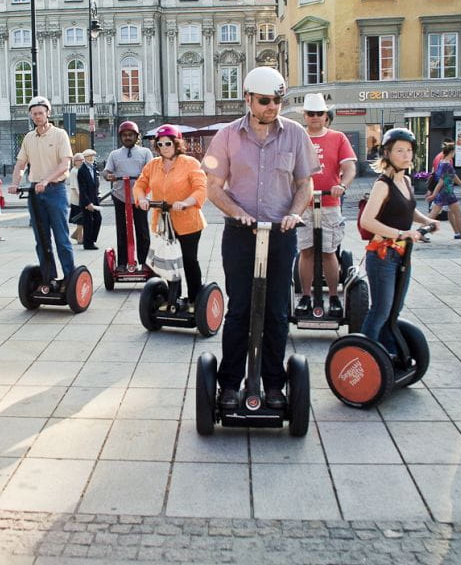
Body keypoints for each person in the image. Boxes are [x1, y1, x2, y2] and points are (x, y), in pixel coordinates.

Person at [202, 66, 317, 411]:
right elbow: (212, 187)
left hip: (281, 234)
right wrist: (236, 211)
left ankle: (274, 386)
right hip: (240, 234)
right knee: (239, 310)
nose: (272, 107)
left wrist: (296, 213)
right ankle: (229, 385)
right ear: (248, 99)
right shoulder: (226, 136)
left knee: (277, 313)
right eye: (265, 101)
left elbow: (304, 184)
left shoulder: (296, 134)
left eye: (278, 101)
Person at [358, 128, 440, 357]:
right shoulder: (382, 184)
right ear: (387, 153)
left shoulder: (405, 180)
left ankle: (385, 353)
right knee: (381, 310)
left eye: (409, 151)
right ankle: (364, 356)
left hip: (401, 254)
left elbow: (408, 210)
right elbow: (367, 221)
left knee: (394, 309)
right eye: (400, 151)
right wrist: (400, 233)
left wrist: (427, 220)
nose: (406, 155)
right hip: (382, 255)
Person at [293, 92, 356, 319]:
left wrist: (343, 185)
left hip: (329, 202)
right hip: (303, 204)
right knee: (306, 251)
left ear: (325, 115)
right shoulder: (298, 137)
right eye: (310, 113)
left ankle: (333, 297)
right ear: (306, 116)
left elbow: (349, 167)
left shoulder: (337, 138)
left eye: (319, 113)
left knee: (329, 252)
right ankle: (306, 297)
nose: (315, 117)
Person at [134, 124, 207, 306]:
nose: (164, 147)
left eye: (168, 143)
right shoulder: (153, 165)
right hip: (163, 222)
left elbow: (201, 188)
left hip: (188, 221)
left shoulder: (190, 163)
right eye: (160, 144)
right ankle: (174, 299)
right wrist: (142, 199)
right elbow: (140, 185)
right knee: (168, 261)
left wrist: (186, 202)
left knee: (189, 260)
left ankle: (194, 299)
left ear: (176, 143)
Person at [8, 95, 75, 280]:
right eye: (34, 114)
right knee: (41, 240)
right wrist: (15, 183)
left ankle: (70, 279)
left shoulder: (60, 135)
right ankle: (49, 278)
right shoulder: (29, 138)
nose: (37, 117)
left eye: (40, 113)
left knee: (62, 239)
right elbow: (20, 165)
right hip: (35, 193)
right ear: (31, 116)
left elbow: (64, 165)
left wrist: (46, 181)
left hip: (55, 191)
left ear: (48, 113)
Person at [103, 121, 153, 269]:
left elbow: (150, 171)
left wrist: (143, 176)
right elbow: (106, 171)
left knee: (142, 230)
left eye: (130, 135)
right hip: (120, 196)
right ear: (120, 138)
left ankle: (145, 262)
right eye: (124, 135)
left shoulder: (145, 152)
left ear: (136, 136)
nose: (127, 138)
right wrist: (108, 176)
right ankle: (123, 263)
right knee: (122, 230)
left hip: (140, 197)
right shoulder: (115, 154)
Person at [425, 143, 461, 243]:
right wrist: (433, 195)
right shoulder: (447, 165)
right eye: (454, 152)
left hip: (443, 193)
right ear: (452, 152)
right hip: (448, 193)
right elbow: (441, 181)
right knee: (458, 214)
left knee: (434, 214)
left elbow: (452, 176)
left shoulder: (442, 162)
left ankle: (420, 232)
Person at [77, 148, 102, 250]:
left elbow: (95, 183)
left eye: (93, 156)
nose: (92, 158)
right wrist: (87, 203)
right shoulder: (82, 170)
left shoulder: (94, 168)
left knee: (98, 219)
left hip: (94, 198)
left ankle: (91, 240)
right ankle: (88, 243)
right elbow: (82, 189)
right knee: (88, 222)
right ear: (85, 158)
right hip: (86, 200)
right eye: (89, 156)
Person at [68, 153, 85, 243]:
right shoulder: (74, 171)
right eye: (80, 160)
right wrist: (81, 198)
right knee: (80, 219)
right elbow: (75, 187)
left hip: (81, 198)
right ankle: (78, 237)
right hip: (77, 200)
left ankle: (78, 237)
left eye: (83, 160)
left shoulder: (80, 170)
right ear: (75, 162)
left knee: (82, 219)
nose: (82, 161)